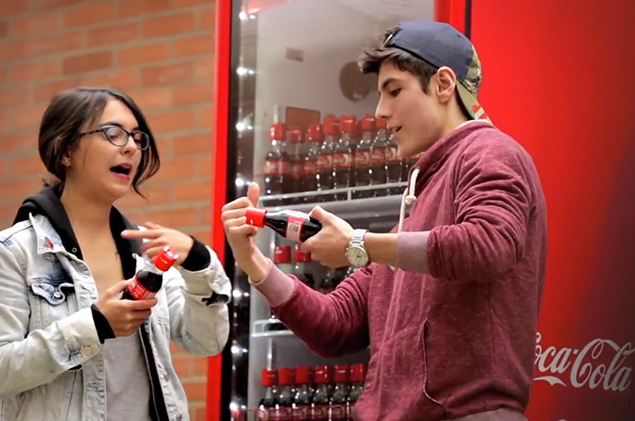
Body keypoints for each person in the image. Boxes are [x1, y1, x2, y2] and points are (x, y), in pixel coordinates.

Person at [222, 20, 547, 421]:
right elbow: (334, 325)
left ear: (444, 85)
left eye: (394, 90)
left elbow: (488, 244)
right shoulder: (414, 211)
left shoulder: (490, 151)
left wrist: (359, 244)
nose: (380, 111)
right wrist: (255, 263)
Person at [0, 86, 231, 421]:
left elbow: (207, 342)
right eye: (113, 133)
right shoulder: (15, 252)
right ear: (65, 150)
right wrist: (94, 325)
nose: (131, 147)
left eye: (138, 138)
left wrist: (199, 262)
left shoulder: (146, 255)